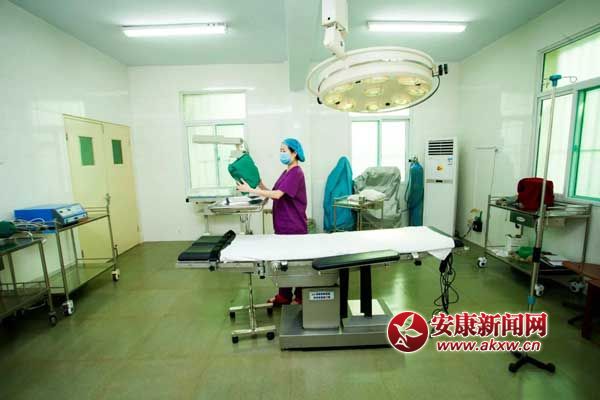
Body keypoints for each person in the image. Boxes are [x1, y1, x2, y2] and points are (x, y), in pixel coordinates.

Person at [236, 138, 307, 305]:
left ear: (294, 153)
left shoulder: (296, 173)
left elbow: (277, 195)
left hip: (293, 227)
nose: (281, 154)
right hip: (283, 226)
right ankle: (284, 296)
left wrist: (250, 190)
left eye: (284, 151)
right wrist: (259, 183)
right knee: (282, 262)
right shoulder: (286, 172)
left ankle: (300, 297)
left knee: (296, 264)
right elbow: (273, 192)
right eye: (280, 150)